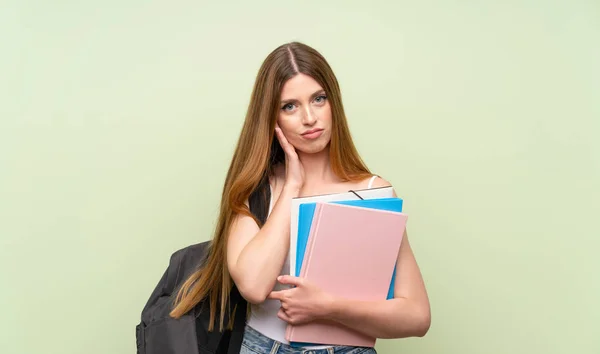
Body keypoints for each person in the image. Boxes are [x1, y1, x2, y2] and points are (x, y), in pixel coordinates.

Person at [170, 42, 431, 354]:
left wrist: (328, 306)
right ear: (271, 118)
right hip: (264, 348)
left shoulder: (374, 192)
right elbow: (253, 286)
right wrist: (292, 185)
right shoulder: (257, 191)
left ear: (334, 102)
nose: (309, 118)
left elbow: (417, 316)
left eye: (318, 99)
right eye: (289, 106)